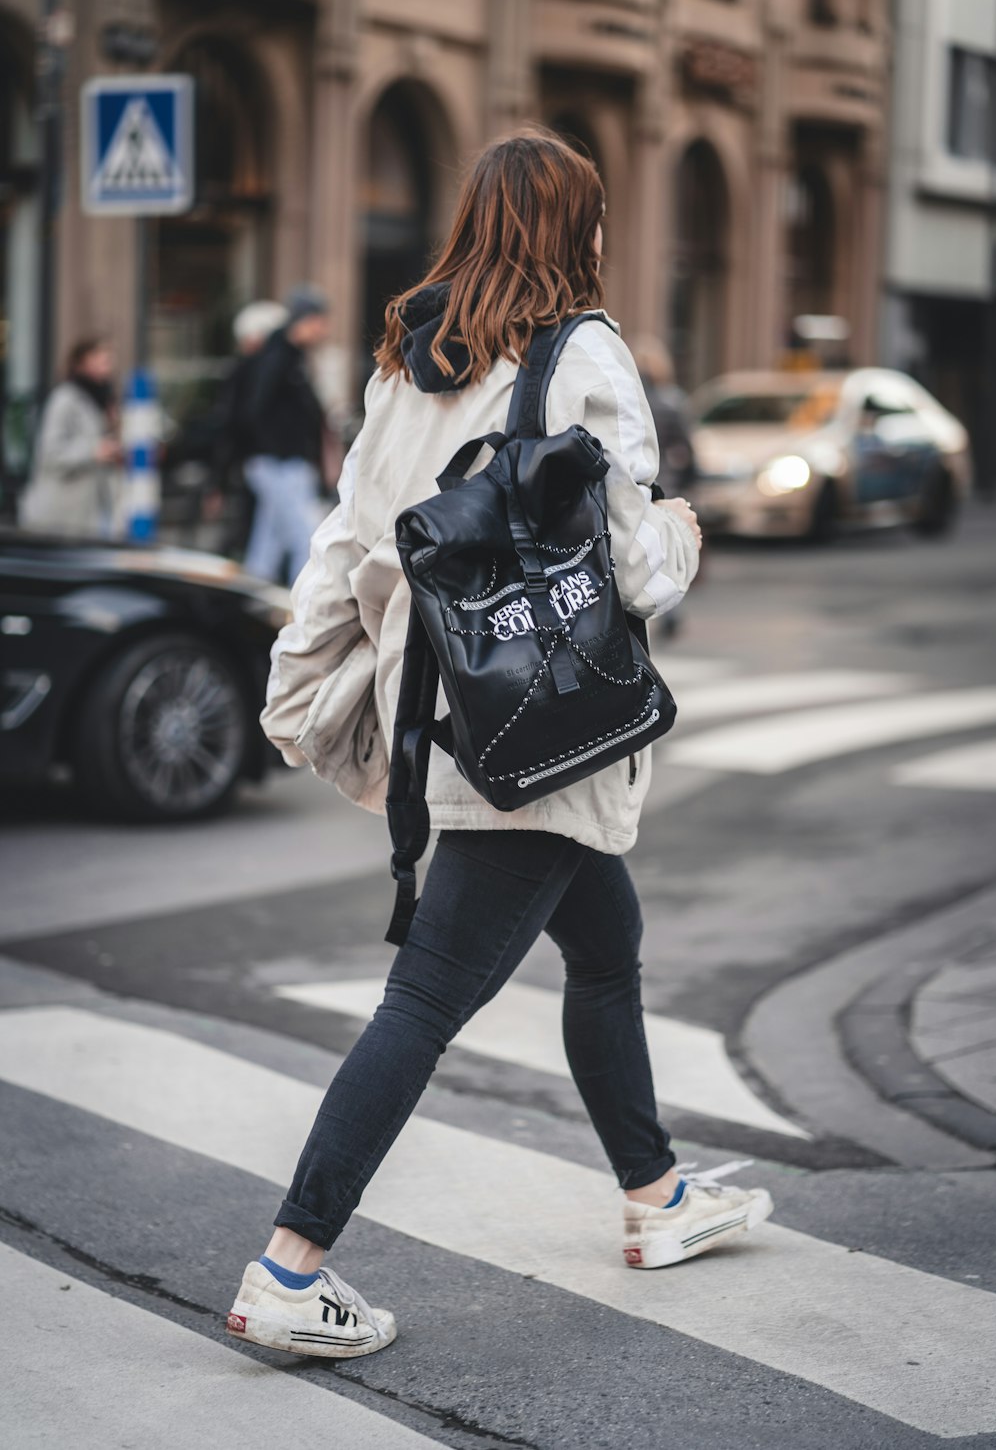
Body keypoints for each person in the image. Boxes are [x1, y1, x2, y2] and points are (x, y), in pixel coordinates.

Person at [226, 130, 772, 1360]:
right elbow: (633, 570)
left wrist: (303, 675)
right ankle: (289, 1265)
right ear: (577, 230)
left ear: (471, 221)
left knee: (607, 944)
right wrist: (681, 528)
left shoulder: (408, 358)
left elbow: (350, 533)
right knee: (425, 996)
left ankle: (655, 1197)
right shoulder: (585, 353)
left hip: (447, 714)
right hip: (542, 725)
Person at [241, 285, 331, 583]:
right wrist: (279, 450)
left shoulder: (290, 355)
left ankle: (253, 606)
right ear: (305, 320)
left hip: (282, 461)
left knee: (268, 544)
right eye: (320, 322)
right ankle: (302, 614)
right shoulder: (278, 356)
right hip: (279, 463)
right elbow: (256, 408)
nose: (323, 330)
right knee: (306, 540)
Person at [202, 300, 289, 544]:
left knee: (267, 534)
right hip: (258, 463)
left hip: (263, 462)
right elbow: (231, 424)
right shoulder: (250, 373)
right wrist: (218, 478)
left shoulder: (276, 369)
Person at [20, 337, 123, 537]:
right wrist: (94, 451)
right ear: (81, 362)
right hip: (59, 517)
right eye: (100, 358)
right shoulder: (64, 399)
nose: (107, 365)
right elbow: (50, 452)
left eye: (109, 359)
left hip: (92, 513)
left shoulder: (103, 400)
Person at [633, 336, 697, 497]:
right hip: (664, 484)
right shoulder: (672, 402)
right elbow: (687, 451)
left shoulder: (624, 401)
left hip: (630, 485)